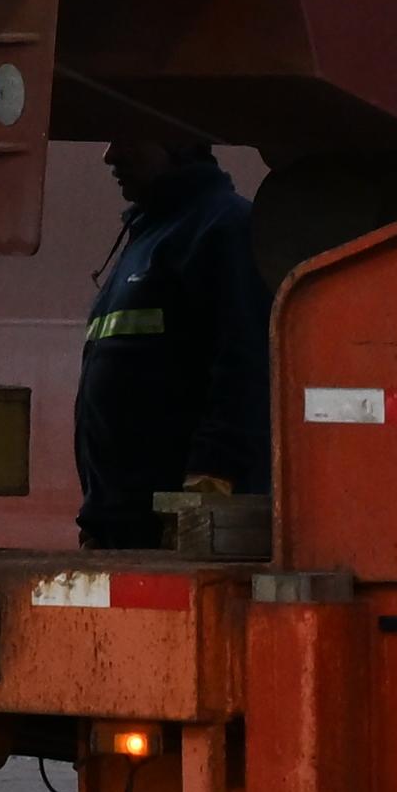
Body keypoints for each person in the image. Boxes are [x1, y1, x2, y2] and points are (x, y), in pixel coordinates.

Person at [70, 130, 273, 551]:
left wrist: (210, 488)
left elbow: (246, 367)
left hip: (176, 537)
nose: (111, 153)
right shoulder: (149, 237)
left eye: (128, 135)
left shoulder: (224, 228)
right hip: (121, 531)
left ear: (180, 139)